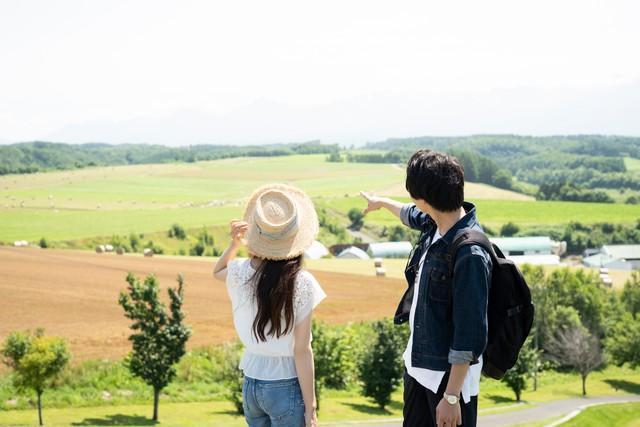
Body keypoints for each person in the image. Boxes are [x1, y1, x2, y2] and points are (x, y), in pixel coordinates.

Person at [361, 149, 492, 427]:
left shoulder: (469, 254)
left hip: (448, 383)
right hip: (419, 369)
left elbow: (469, 333)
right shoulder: (437, 222)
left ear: (423, 199)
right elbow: (408, 214)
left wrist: (452, 397)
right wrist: (381, 202)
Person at [213, 183, 326, 427]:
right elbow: (302, 349)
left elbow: (218, 270)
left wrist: (234, 244)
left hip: (251, 384)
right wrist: (311, 407)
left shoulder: (242, 273)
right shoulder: (302, 283)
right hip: (284, 384)